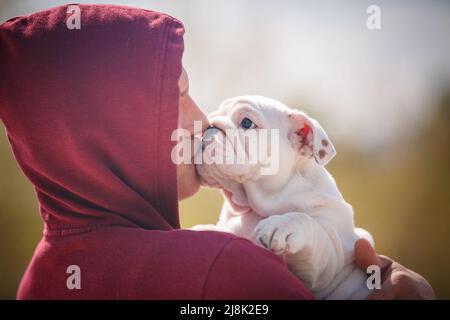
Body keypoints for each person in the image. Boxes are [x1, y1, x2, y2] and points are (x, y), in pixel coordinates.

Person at [0, 4, 434, 299]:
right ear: (119, 119)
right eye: (181, 92)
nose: (205, 119)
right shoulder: (228, 269)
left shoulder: (36, 281)